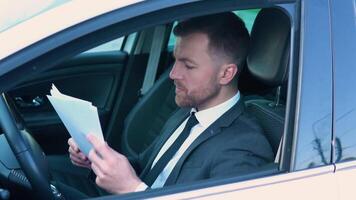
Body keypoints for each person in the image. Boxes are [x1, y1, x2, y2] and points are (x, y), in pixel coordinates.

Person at [67, 12, 273, 196]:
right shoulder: (187, 112)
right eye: (175, 60)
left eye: (189, 66)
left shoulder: (244, 147)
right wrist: (100, 160)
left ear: (226, 73)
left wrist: (132, 189)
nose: (173, 74)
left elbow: (136, 185)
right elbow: (145, 169)